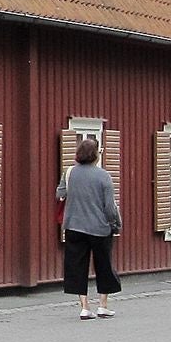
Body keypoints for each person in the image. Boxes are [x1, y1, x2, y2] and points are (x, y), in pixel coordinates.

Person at [58, 135, 122, 318]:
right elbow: (109, 207)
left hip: (74, 226)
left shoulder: (70, 172)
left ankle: (84, 307)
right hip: (99, 228)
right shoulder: (103, 176)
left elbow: (60, 194)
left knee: (77, 266)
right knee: (103, 265)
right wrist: (115, 224)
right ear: (96, 155)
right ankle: (103, 305)